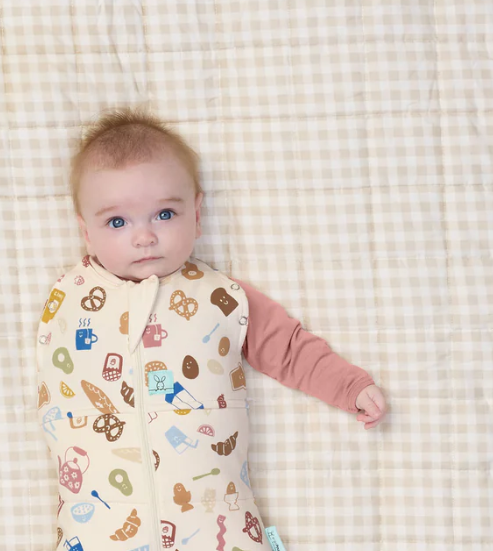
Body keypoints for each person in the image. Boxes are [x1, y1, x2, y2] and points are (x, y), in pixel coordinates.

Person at [69, 105, 388, 429]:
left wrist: (349, 387)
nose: (144, 238)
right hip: (95, 460)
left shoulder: (220, 296)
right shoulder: (69, 298)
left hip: (205, 460)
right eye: (117, 221)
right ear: (87, 233)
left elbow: (287, 349)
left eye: (164, 214)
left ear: (196, 216)